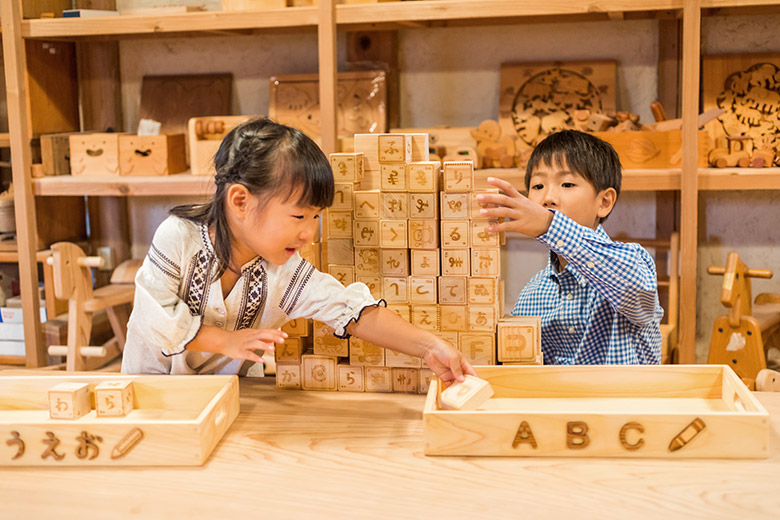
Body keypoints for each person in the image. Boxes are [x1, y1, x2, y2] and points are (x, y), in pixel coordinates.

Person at [122, 117, 475, 384]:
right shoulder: (177, 237)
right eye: (298, 215)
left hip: (226, 401)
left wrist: (431, 347)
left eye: (316, 217)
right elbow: (157, 320)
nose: (309, 232)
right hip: (147, 394)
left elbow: (350, 310)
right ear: (240, 201)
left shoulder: (283, 269)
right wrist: (226, 341)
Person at [477, 130, 663, 364]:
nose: (548, 198)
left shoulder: (632, 261)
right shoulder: (532, 293)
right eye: (537, 186)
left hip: (624, 399)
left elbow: (635, 292)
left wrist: (549, 224)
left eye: (566, 183)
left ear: (604, 202)